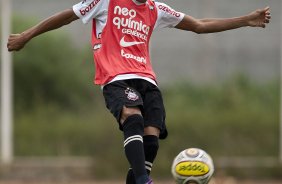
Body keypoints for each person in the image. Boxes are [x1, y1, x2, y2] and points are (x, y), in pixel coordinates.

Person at [7, 0, 271, 183]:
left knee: (151, 142)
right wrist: (26, 36)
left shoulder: (156, 9)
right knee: (132, 118)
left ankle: (140, 180)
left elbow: (200, 24)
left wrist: (246, 20)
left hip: (148, 81)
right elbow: (65, 17)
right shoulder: (106, 2)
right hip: (116, 78)